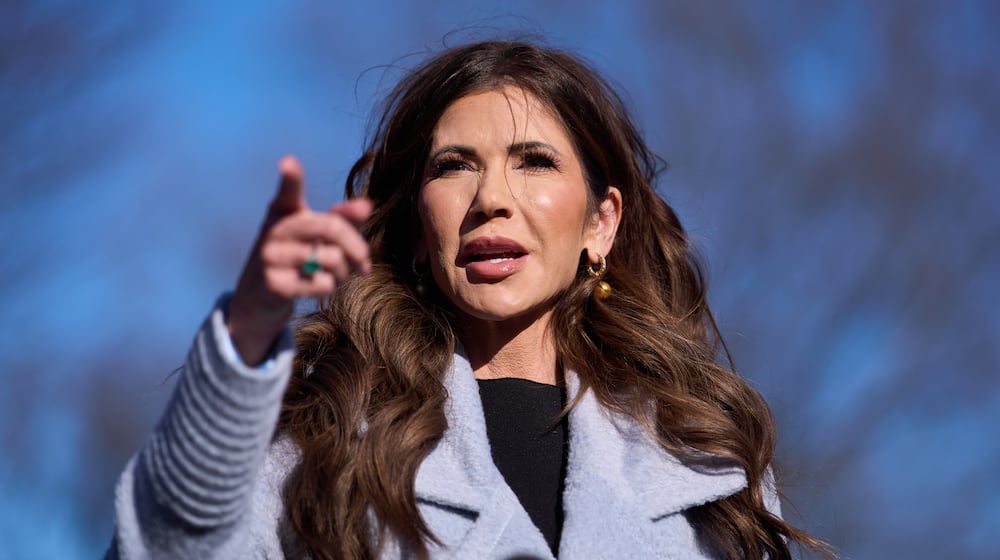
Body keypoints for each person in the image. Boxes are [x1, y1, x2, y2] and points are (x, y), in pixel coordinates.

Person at [106, 40, 829, 559]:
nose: (491, 200)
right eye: (455, 167)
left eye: (534, 162)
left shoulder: (704, 460)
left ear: (600, 223)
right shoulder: (319, 440)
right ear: (419, 227)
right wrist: (247, 335)